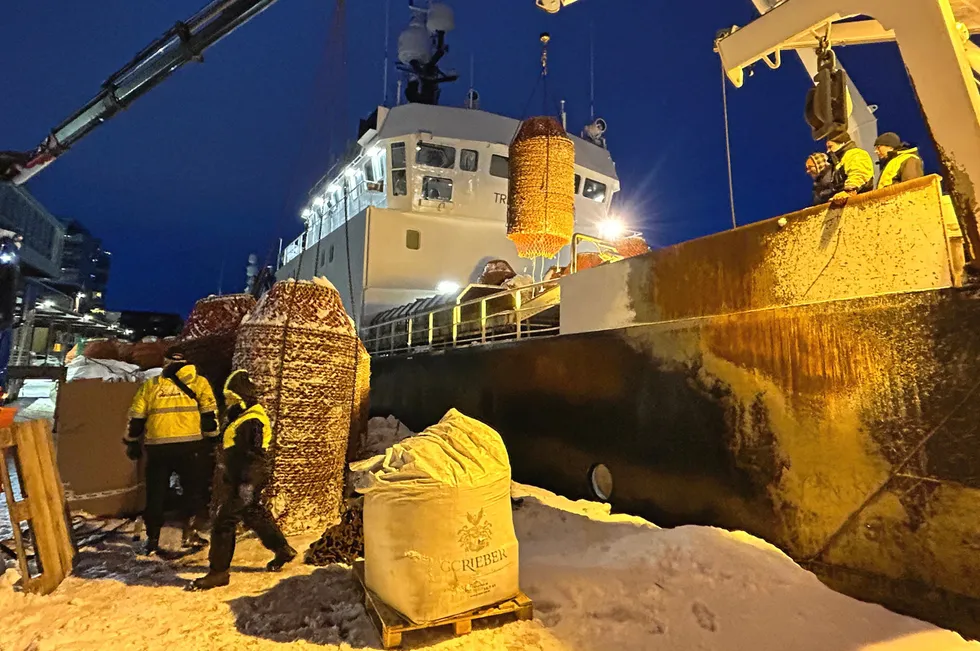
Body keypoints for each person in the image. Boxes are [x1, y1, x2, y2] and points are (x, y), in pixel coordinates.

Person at [191, 369, 295, 590]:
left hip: (248, 476)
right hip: (243, 475)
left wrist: (246, 483)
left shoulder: (252, 419)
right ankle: (282, 549)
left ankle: (218, 572)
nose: (229, 401)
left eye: (233, 397)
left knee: (224, 521)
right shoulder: (242, 416)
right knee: (253, 513)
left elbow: (253, 453)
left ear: (243, 396)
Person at [124, 348, 219, 555]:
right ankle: (189, 532)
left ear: (166, 363)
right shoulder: (199, 383)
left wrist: (131, 442)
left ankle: (152, 538)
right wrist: (213, 439)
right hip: (190, 445)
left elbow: (136, 417)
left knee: (156, 493)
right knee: (192, 491)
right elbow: (209, 414)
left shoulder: (152, 385)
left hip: (158, 447)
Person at [825, 131, 874, 205]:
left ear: (842, 143)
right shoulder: (840, 160)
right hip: (848, 204)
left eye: (830, 146)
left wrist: (849, 191)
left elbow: (859, 173)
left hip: (860, 204)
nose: (828, 151)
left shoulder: (855, 154)